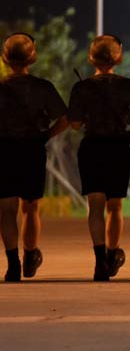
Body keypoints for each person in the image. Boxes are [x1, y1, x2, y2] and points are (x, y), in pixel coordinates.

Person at [68, 35, 130, 281]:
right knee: (115, 206)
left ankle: (99, 262)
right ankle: (112, 253)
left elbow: (74, 124)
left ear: (91, 57)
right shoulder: (127, 86)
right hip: (118, 147)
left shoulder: (81, 87)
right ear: (118, 57)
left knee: (95, 206)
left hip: (92, 147)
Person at [0, 33, 68, 282]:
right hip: (32, 149)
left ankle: (12, 264)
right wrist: (46, 135)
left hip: (4, 150)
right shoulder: (43, 87)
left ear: (5, 58)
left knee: (6, 210)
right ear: (33, 57)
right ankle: (30, 256)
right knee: (31, 208)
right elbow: (65, 118)